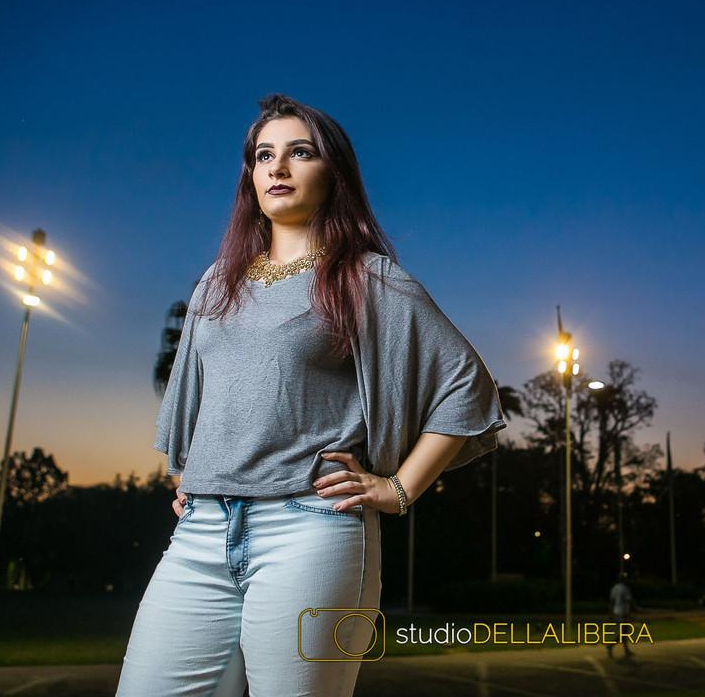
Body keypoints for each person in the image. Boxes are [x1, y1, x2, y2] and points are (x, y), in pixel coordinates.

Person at [116, 94, 505, 696]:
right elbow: (195, 394)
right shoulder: (217, 283)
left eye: (300, 152)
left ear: (333, 171)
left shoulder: (367, 278)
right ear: (250, 176)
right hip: (200, 531)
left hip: (310, 529)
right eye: (263, 155)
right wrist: (195, 471)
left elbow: (466, 386)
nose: (277, 167)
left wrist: (398, 488)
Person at [605, 576, 636, 659]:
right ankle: (611, 645)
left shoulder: (615, 588)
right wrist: (634, 608)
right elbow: (629, 600)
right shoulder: (625, 589)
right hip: (623, 612)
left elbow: (612, 601)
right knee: (624, 632)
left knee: (624, 631)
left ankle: (626, 649)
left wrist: (611, 613)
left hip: (617, 612)